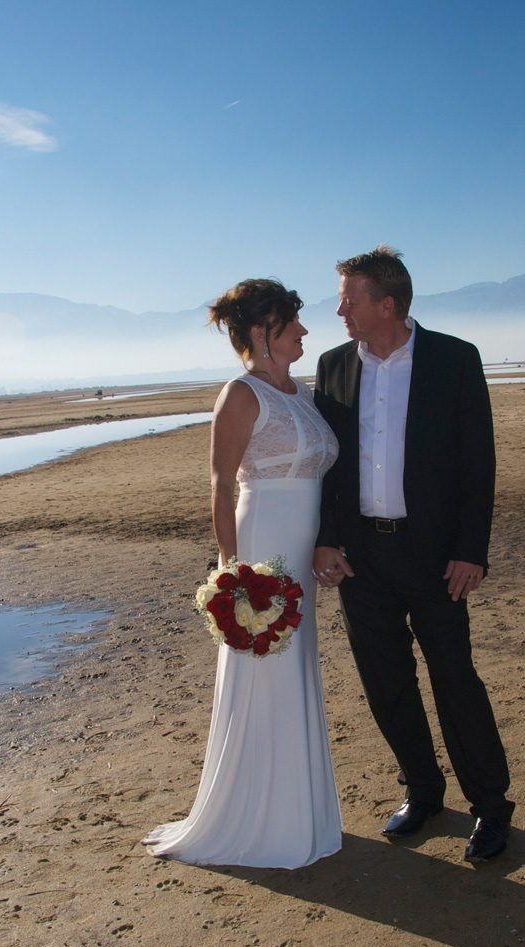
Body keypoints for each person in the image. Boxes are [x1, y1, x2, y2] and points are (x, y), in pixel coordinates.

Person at [313, 246, 514, 862]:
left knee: (455, 678)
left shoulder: (454, 359)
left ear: (387, 303)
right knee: (386, 683)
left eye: (350, 298)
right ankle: (423, 792)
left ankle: (489, 806)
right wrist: (326, 537)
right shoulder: (333, 365)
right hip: (361, 559)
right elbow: (329, 465)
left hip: (434, 557)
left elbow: (477, 463)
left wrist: (469, 550)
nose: (340, 309)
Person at [144, 279, 342, 869]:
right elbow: (222, 484)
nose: (305, 331)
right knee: (264, 669)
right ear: (262, 331)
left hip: (302, 553)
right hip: (264, 552)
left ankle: (297, 810)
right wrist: (233, 571)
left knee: (295, 667)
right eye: (293, 323)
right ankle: (258, 822)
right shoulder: (240, 394)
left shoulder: (302, 392)